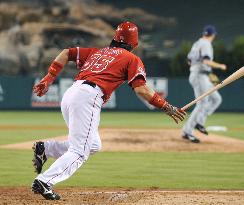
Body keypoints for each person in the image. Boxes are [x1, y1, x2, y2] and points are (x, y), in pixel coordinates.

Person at [31, 22, 186, 200]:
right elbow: (141, 89)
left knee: (93, 145)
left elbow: (66, 52)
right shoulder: (131, 58)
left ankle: (47, 148)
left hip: (71, 94)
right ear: (134, 44)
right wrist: (166, 106)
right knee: (80, 151)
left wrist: (49, 77)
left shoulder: (98, 51)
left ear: (115, 38)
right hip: (88, 97)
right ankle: (45, 181)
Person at [182, 25, 227, 143]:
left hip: (202, 75)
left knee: (216, 99)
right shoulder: (206, 44)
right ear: (213, 35)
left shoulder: (197, 43)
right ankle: (188, 131)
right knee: (202, 104)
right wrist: (220, 66)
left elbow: (189, 61)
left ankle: (199, 122)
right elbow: (206, 60)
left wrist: (206, 72)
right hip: (199, 76)